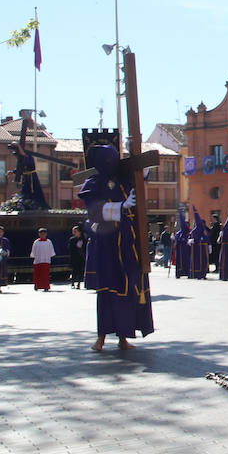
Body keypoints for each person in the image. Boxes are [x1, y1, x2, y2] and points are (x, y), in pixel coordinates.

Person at [81, 144, 154, 350]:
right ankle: (101, 337)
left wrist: (135, 154)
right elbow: (94, 212)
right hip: (108, 245)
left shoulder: (123, 178)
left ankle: (123, 337)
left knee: (128, 288)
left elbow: (141, 175)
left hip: (129, 244)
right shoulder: (93, 183)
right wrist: (120, 206)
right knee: (108, 289)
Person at [189, 209, 211, 279]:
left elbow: (207, 238)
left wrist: (209, 246)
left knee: (203, 261)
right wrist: (191, 241)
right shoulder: (193, 231)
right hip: (196, 249)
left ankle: (203, 274)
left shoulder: (205, 231)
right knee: (197, 261)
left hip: (204, 249)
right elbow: (189, 238)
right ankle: (196, 273)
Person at [68, 224, 87, 289]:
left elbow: (85, 247)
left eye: (75, 231)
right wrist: (76, 246)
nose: (74, 233)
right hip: (74, 256)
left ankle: (79, 283)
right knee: (74, 270)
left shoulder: (83, 239)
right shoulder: (72, 239)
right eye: (73, 231)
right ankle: (73, 282)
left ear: (79, 232)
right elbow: (70, 248)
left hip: (81, 256)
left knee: (80, 270)